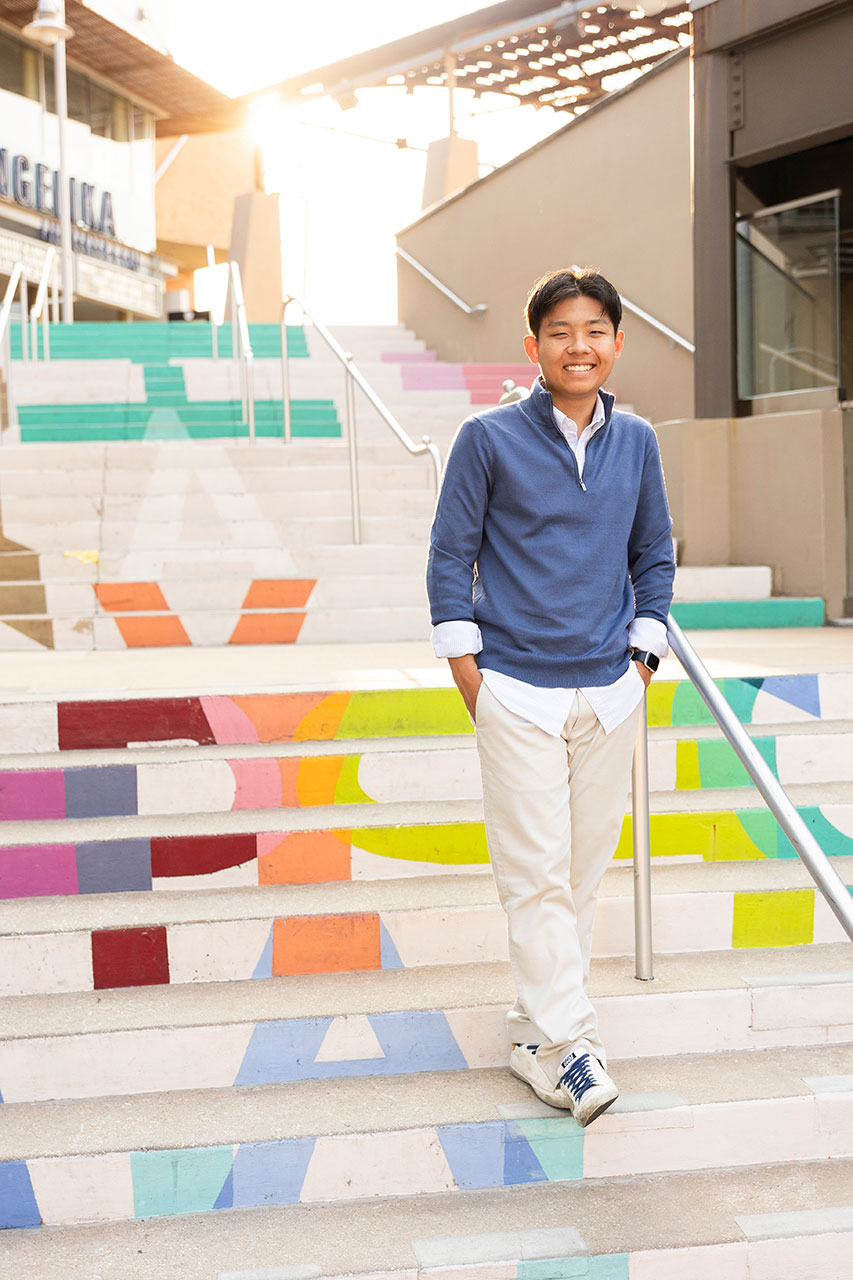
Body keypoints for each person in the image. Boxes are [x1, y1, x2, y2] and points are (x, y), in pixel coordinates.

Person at [426, 266, 675, 1127]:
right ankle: (575, 1047)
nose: (580, 345)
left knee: (577, 877)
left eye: (595, 330)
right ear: (532, 347)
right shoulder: (486, 437)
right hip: (517, 690)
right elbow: (447, 556)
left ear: (615, 341)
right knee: (532, 877)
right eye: (561, 332)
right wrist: (471, 675)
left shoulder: (636, 440)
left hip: (608, 691)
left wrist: (640, 661)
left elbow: (654, 556)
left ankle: (533, 1040)